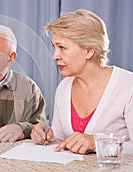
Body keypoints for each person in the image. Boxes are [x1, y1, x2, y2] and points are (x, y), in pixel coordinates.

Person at [31, 9, 133, 155]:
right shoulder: (64, 87)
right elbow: (60, 140)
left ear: (89, 51)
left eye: (62, 48)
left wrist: (97, 143)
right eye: (54, 47)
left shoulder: (129, 86)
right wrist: (46, 134)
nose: (55, 56)